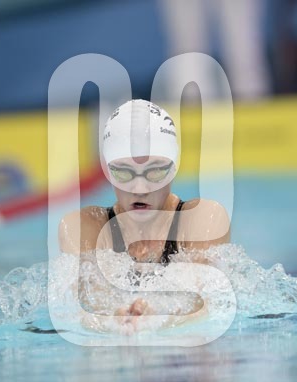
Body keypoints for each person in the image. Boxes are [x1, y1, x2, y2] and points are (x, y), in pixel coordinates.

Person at [58, 99, 230, 324]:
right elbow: (87, 309)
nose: (139, 188)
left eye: (155, 171)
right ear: (107, 171)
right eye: (123, 172)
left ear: (174, 167)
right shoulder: (84, 227)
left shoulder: (201, 218)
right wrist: (115, 319)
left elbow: (203, 306)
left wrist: (158, 317)